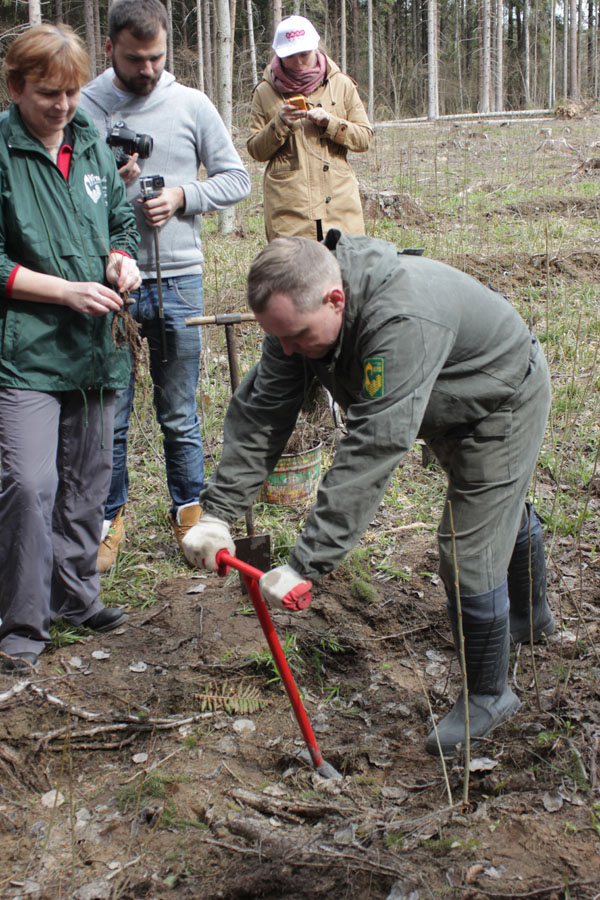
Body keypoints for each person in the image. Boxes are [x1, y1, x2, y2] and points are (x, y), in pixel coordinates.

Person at [182, 231, 556, 757]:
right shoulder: (298, 315)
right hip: (442, 395)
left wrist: (307, 563)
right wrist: (218, 513)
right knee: (496, 513)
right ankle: (531, 617)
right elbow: (264, 412)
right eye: (279, 337)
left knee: (468, 549)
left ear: (336, 299)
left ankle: (490, 694)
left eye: (298, 336)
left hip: (499, 398)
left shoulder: (398, 321)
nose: (289, 349)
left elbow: (373, 446)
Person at [79, 0, 251, 571]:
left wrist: (182, 196)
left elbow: (236, 178)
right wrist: (110, 180)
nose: (148, 70)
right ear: (110, 49)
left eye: (156, 58)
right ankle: (109, 518)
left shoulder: (192, 105)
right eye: (135, 59)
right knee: (114, 409)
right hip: (112, 284)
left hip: (179, 280)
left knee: (178, 409)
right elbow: (68, 193)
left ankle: (191, 515)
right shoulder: (84, 105)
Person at [0, 24, 141, 673]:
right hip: (26, 351)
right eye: (48, 93)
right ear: (15, 87)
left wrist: (121, 261)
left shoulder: (88, 143)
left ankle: (77, 599)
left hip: (95, 348)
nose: (62, 106)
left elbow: (119, 221)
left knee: (88, 484)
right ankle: (23, 622)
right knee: (30, 484)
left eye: (73, 92)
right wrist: (65, 292)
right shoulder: (2, 151)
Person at [247, 15, 373, 242]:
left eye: (304, 54)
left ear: (316, 48)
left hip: (339, 207)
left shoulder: (340, 84)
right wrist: (280, 123)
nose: (298, 62)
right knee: (294, 274)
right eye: (290, 56)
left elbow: (364, 138)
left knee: (343, 272)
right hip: (289, 211)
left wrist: (331, 123)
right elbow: (256, 150)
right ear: (279, 55)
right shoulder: (265, 91)